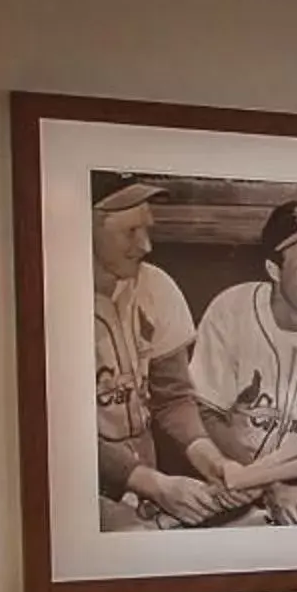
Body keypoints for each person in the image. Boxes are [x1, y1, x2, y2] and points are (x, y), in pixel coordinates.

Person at [190, 199, 297, 519]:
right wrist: (265, 483)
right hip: (232, 472)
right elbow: (207, 411)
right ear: (274, 270)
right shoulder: (230, 311)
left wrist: (295, 490)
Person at [89, 179, 232, 529]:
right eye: (131, 232)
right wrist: (154, 485)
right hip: (78, 483)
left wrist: (212, 460)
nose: (146, 245)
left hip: (145, 477)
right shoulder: (47, 297)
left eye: (147, 228)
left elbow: (172, 398)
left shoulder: (155, 286)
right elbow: (59, 434)